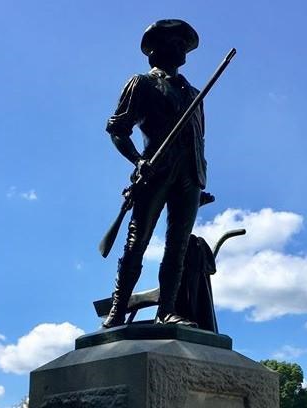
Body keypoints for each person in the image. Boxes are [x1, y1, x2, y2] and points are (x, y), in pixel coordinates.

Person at [102, 19, 207, 328]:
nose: (183, 51)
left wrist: (201, 181)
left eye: (184, 46)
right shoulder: (143, 83)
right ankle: (118, 309)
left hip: (191, 176)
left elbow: (198, 139)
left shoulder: (195, 94)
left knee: (178, 246)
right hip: (155, 171)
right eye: (176, 44)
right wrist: (137, 160)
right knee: (137, 243)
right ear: (155, 50)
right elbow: (118, 130)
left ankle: (167, 311)